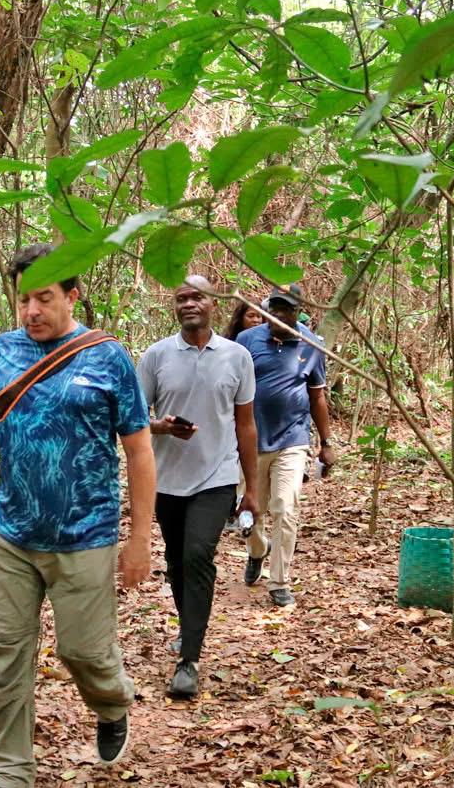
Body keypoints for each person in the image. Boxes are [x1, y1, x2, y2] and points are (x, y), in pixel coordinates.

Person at [0, 244, 155, 787]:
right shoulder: (2, 353)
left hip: (86, 535)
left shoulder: (107, 356)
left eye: (44, 298)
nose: (31, 311)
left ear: (71, 296)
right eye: (23, 300)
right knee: (5, 657)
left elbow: (139, 450)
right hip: (12, 533)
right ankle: (10, 773)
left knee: (84, 652)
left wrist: (139, 539)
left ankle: (112, 702)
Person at [136, 276, 258, 699]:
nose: (189, 303)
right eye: (181, 298)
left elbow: (245, 425)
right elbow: (133, 419)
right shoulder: (156, 356)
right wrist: (162, 427)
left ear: (213, 303)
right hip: (167, 479)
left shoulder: (238, 357)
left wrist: (252, 490)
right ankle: (189, 626)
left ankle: (189, 658)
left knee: (197, 554)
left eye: (197, 297)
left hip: (217, 477)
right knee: (176, 562)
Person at [235, 284, 335, 607]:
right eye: (274, 308)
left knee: (285, 507)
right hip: (251, 442)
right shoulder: (246, 341)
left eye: (286, 309)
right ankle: (257, 551)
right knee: (250, 511)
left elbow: (317, 396)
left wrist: (326, 443)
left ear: (298, 312)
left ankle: (279, 581)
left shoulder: (312, 344)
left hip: (293, 439)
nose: (278, 314)